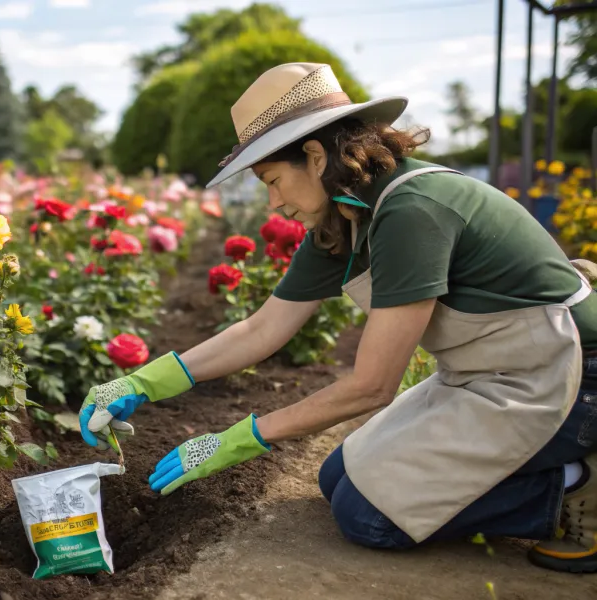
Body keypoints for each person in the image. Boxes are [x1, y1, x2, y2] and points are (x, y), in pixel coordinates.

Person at [78, 62, 597, 573]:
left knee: (367, 517)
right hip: (488, 372)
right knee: (337, 479)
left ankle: (574, 481)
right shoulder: (345, 215)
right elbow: (263, 327)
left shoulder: (412, 210)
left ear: (314, 154)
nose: (274, 203)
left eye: (273, 180)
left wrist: (234, 439)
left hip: (566, 376)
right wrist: (144, 381)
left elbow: (372, 386)